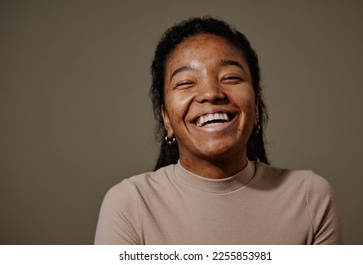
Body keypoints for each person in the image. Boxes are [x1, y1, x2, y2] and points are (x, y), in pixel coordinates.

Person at [94, 17, 342, 244]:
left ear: (256, 107)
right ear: (166, 118)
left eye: (231, 77)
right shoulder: (130, 203)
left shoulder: (310, 196)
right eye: (186, 82)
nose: (211, 93)